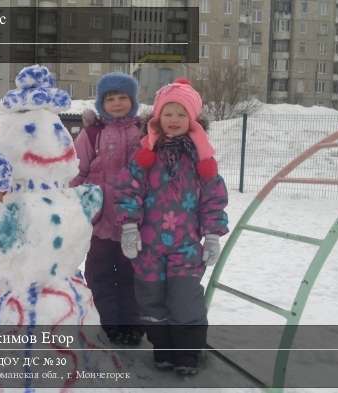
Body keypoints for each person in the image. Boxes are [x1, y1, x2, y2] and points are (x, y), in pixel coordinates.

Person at [116, 78, 229, 375]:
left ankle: (188, 355)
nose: (174, 120)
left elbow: (213, 197)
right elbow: (129, 190)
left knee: (185, 300)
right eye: (168, 113)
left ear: (192, 119)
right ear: (158, 117)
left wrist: (213, 235)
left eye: (181, 114)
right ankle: (163, 350)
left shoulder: (201, 158)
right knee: (151, 300)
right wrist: (129, 228)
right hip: (148, 246)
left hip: (186, 246)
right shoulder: (144, 154)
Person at [70, 72, 144, 346]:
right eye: (110, 98)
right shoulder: (93, 133)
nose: (116, 103)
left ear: (133, 100)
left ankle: (132, 324)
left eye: (122, 97)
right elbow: (76, 171)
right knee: (99, 273)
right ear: (101, 103)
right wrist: (72, 202)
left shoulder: (143, 132)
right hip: (100, 220)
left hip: (134, 222)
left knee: (130, 274)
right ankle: (109, 323)